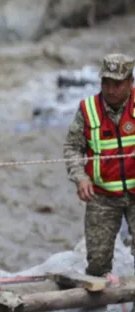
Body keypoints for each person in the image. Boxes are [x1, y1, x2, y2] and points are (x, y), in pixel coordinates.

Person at [63, 53, 135, 279]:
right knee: (97, 264)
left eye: (117, 84)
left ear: (130, 82)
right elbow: (72, 147)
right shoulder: (88, 110)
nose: (111, 90)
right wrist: (80, 176)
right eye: (106, 83)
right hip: (102, 196)